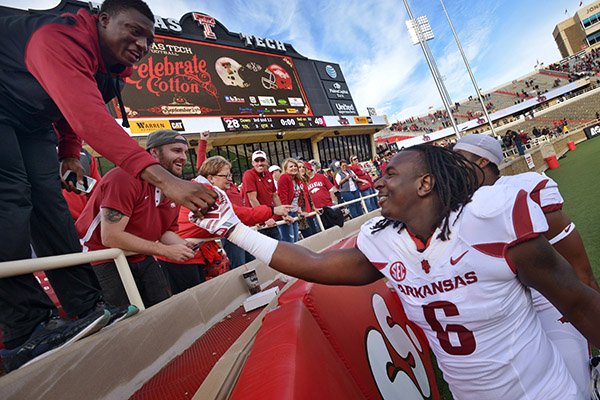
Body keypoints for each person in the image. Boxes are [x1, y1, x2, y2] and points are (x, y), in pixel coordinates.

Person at [199, 144, 600, 399]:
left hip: (542, 391)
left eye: (391, 174)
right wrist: (236, 229)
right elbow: (315, 264)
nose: (378, 180)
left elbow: (580, 302)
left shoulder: (489, 222)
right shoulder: (385, 240)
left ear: (425, 184)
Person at [0, 0, 215, 373]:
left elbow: (67, 114)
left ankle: (85, 305)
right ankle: (24, 328)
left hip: (31, 116)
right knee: (12, 197)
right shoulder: (57, 37)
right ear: (102, 21)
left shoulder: (112, 70)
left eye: (149, 39)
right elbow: (88, 116)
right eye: (134, 31)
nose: (142, 45)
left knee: (47, 201)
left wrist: (68, 152)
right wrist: (168, 180)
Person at [454, 133, 599, 396]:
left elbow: (578, 268)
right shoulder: (453, 207)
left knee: (573, 382)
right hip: (500, 314)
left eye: (459, 160)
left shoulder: (526, 188)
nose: (452, 170)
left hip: (547, 300)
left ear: (482, 160)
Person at [77, 130, 197, 307]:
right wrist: (165, 250)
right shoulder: (124, 177)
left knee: (163, 308)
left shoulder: (171, 187)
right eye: (176, 150)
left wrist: (182, 245)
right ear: (154, 152)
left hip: (141, 254)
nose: (183, 157)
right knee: (125, 319)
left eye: (185, 152)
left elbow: (164, 231)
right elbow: (110, 237)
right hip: (102, 257)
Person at [160, 156, 290, 286]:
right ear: (211, 178)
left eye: (230, 175)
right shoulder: (204, 193)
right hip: (180, 256)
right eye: (225, 176)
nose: (230, 179)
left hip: (191, 252)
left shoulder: (205, 189)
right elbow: (239, 214)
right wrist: (272, 210)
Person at [242, 150, 283, 240]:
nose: (260, 163)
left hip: (269, 218)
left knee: (279, 247)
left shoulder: (268, 174)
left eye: (262, 160)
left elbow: (274, 195)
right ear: (253, 163)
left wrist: (284, 213)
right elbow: (252, 198)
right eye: (257, 161)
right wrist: (264, 218)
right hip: (257, 221)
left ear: (266, 162)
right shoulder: (248, 174)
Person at [277, 158, 304, 243]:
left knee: (295, 240)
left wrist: (299, 209)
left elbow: (299, 197)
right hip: (287, 213)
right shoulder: (284, 178)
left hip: (294, 212)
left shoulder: (297, 180)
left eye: (295, 166)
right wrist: (285, 214)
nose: (294, 168)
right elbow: (282, 197)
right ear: (285, 169)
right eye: (291, 166)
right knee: (289, 242)